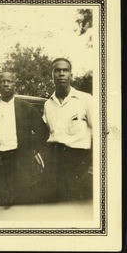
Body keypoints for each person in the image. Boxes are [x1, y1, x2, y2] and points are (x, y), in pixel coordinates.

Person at [0, 71, 48, 206]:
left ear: (14, 84)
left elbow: (42, 132)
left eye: (9, 81)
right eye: (3, 81)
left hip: (19, 161)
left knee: (19, 200)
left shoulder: (26, 108)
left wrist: (31, 150)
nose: (6, 84)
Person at [42, 58, 93, 202]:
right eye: (57, 71)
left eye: (65, 70)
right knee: (53, 203)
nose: (61, 74)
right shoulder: (48, 104)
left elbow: (98, 132)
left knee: (74, 203)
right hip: (53, 160)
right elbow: (49, 131)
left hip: (77, 160)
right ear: (52, 75)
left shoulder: (85, 99)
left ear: (71, 74)